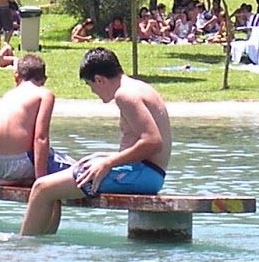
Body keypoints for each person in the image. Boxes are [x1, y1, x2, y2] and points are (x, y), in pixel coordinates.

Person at [22, 48, 171, 237]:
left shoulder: (125, 95)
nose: (93, 91)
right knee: (53, 184)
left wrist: (108, 162)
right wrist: (107, 157)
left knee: (42, 188)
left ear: (99, 79)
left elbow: (152, 142)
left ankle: (23, 250)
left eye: (90, 85)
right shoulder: (138, 87)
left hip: (143, 175)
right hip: (147, 173)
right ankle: (42, 244)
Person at [0, 54, 70, 184]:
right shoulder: (44, 94)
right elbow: (40, 138)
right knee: (76, 170)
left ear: (16, 76)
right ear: (44, 80)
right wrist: (40, 182)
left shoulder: (8, 95)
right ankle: (23, 180)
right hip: (21, 165)